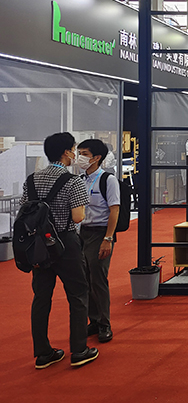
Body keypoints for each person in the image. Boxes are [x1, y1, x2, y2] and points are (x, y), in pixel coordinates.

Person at [21, 132, 99, 369]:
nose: (75, 154)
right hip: (66, 243)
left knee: (41, 297)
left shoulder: (32, 180)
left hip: (38, 246)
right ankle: (79, 349)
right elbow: (78, 216)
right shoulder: (73, 181)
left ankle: (43, 353)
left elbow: (25, 212)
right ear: (66, 152)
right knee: (78, 294)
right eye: (74, 149)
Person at [76, 139, 119, 343]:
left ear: (96, 158)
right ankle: (93, 320)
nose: (80, 158)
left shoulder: (107, 180)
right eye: (79, 153)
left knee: (98, 279)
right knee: (85, 279)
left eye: (84, 154)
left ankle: (104, 323)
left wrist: (108, 238)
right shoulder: (80, 180)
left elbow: (114, 210)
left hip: (100, 232)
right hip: (82, 233)